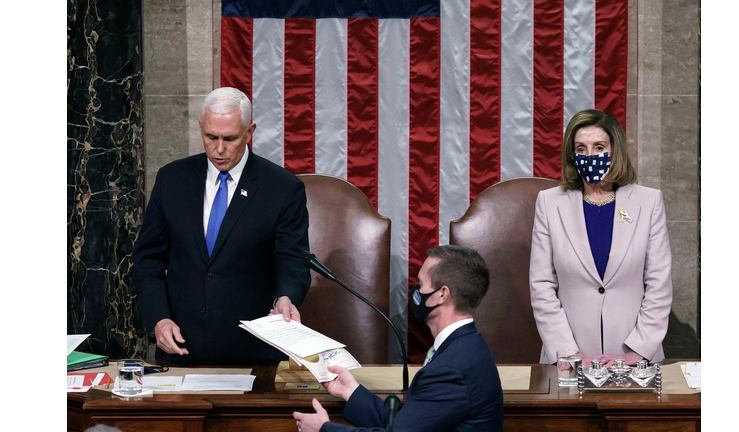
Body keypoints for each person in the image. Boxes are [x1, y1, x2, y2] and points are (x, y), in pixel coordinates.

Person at [131, 87, 311, 366]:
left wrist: (285, 298)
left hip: (253, 354)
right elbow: (147, 259)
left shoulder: (283, 189)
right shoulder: (172, 180)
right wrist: (158, 318)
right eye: (210, 137)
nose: (219, 149)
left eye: (230, 139)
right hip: (182, 349)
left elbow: (292, 260)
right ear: (201, 127)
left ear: (249, 132)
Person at [293, 245, 503, 432]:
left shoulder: (450, 370)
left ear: (442, 294)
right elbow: (406, 424)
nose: (417, 291)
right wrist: (352, 392)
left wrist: (324, 429)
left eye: (421, 284)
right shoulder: (468, 346)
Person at [529, 109, 673, 367]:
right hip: (571, 360)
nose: (590, 156)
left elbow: (659, 284)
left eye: (599, 147)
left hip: (635, 358)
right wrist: (566, 353)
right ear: (571, 155)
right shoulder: (549, 203)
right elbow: (541, 285)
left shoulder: (648, 201)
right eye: (581, 149)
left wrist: (638, 350)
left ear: (614, 150)